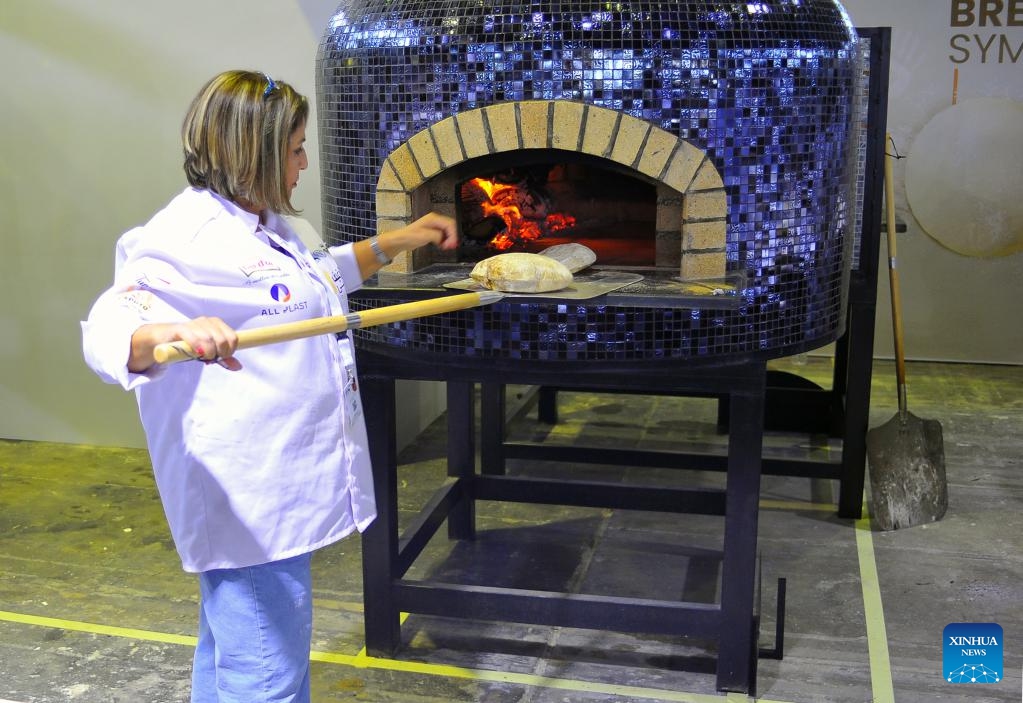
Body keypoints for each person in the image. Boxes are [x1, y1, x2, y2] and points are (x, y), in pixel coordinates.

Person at [81, 69, 458, 702]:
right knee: (266, 671)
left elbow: (312, 279)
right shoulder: (184, 237)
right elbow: (111, 323)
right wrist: (172, 329)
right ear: (249, 151)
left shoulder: (271, 224)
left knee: (232, 650)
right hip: (248, 495)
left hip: (284, 479)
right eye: (293, 149)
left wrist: (394, 243)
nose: (304, 162)